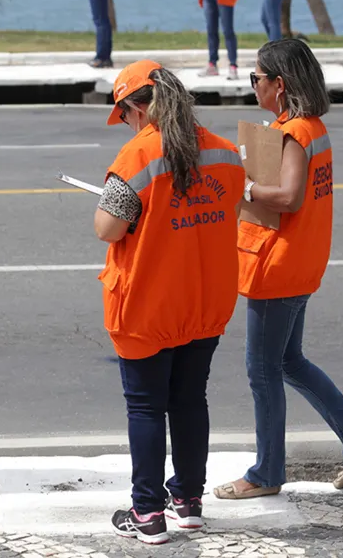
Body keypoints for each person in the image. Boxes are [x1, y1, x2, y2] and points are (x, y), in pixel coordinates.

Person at [214, 39, 343, 500]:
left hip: (277, 266)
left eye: (257, 78)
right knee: (289, 361)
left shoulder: (294, 133)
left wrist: (244, 187)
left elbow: (289, 198)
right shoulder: (313, 128)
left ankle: (267, 472)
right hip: (302, 262)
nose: (253, 86)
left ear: (279, 84)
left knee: (262, 370)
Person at [95, 61, 245, 544]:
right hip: (205, 301)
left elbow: (107, 228)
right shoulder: (226, 154)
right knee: (188, 399)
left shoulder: (137, 156)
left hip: (148, 304)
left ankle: (147, 514)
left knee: (145, 407)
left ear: (139, 108)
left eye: (127, 116)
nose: (129, 126)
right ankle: (189, 501)